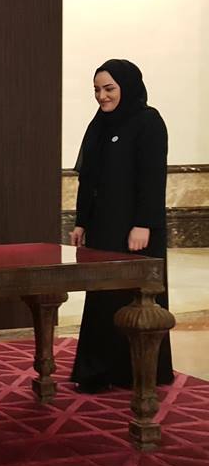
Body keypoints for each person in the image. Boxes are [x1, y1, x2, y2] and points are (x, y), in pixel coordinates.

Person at [70, 59, 174, 393]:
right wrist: (81, 222)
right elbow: (88, 179)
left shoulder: (148, 122)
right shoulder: (99, 125)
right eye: (97, 90)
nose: (102, 96)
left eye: (109, 88)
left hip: (136, 230)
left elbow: (152, 178)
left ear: (127, 87)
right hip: (103, 228)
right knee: (102, 297)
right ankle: (97, 369)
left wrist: (144, 223)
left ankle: (136, 371)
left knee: (135, 298)